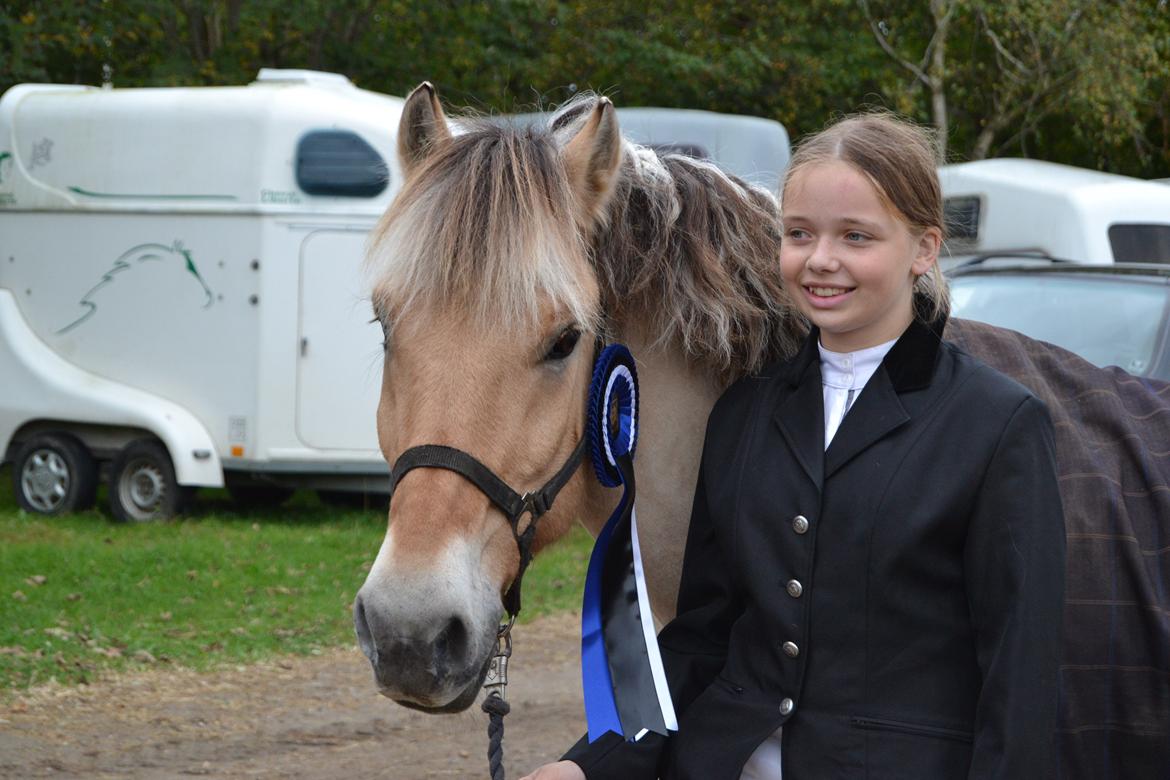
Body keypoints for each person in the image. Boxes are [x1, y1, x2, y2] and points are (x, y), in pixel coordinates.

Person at [522, 112, 1066, 780]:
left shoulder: (1000, 425)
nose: (820, 259)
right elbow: (702, 639)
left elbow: (1019, 681)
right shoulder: (744, 413)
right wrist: (589, 767)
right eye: (800, 233)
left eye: (855, 236)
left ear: (924, 249)